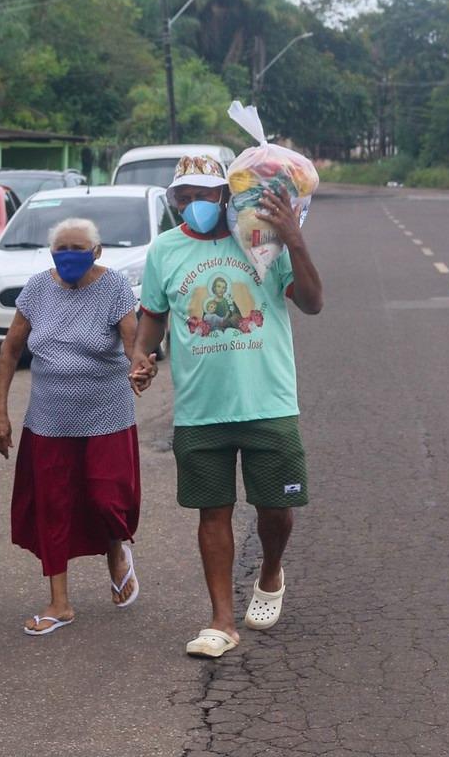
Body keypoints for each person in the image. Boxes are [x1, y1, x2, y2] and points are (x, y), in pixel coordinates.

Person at [130, 155, 323, 658]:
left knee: (275, 510)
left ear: (227, 195)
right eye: (185, 196)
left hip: (269, 402)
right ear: (175, 201)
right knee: (211, 512)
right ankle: (221, 620)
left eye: (205, 194)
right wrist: (142, 357)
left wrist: (293, 237)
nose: (195, 205)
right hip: (200, 410)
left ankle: (271, 569)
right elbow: (152, 318)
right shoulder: (165, 251)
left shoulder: (261, 240)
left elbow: (313, 301)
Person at [0, 217, 142, 636]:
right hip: (49, 420)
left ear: (96, 252)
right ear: (52, 253)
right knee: (53, 507)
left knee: (107, 497)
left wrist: (139, 367)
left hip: (106, 413)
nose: (69, 258)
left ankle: (116, 549)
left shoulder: (113, 288)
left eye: (78, 249)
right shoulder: (38, 289)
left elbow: (133, 343)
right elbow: (10, 351)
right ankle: (60, 603)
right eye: (62, 250)